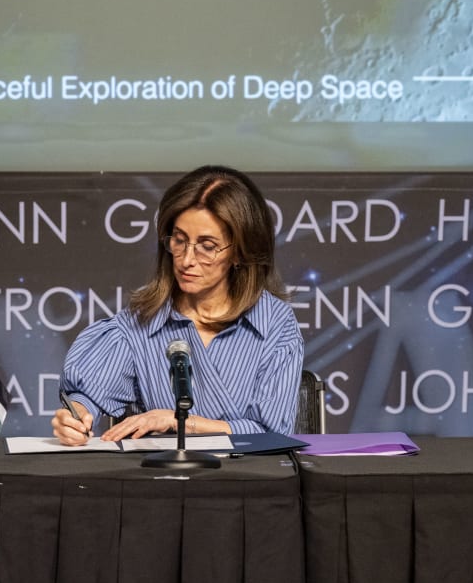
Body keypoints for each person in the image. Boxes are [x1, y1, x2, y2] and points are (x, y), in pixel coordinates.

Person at [52, 165, 304, 445]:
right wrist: (76, 417)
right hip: (162, 481)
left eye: (207, 246)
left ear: (239, 252)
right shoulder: (140, 323)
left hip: (248, 480)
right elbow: (89, 395)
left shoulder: (275, 324)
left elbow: (272, 434)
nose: (186, 260)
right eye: (180, 241)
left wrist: (178, 421)